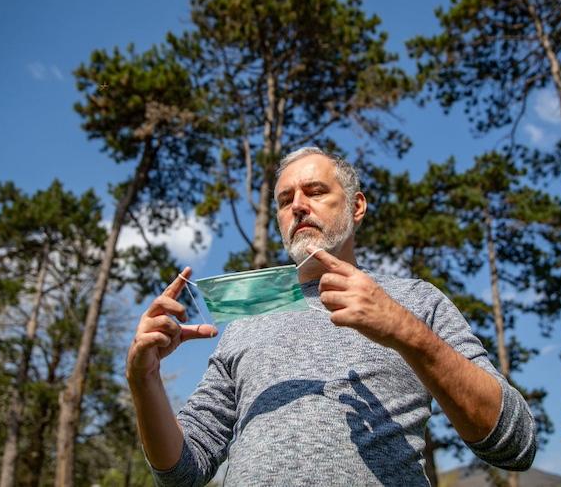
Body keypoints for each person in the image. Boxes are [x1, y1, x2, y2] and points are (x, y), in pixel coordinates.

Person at [126, 147, 538, 486]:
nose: (298, 207)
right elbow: (183, 473)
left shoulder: (415, 300)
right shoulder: (248, 321)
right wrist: (144, 382)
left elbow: (514, 443)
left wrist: (403, 329)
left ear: (356, 206)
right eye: (285, 201)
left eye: (315, 191)